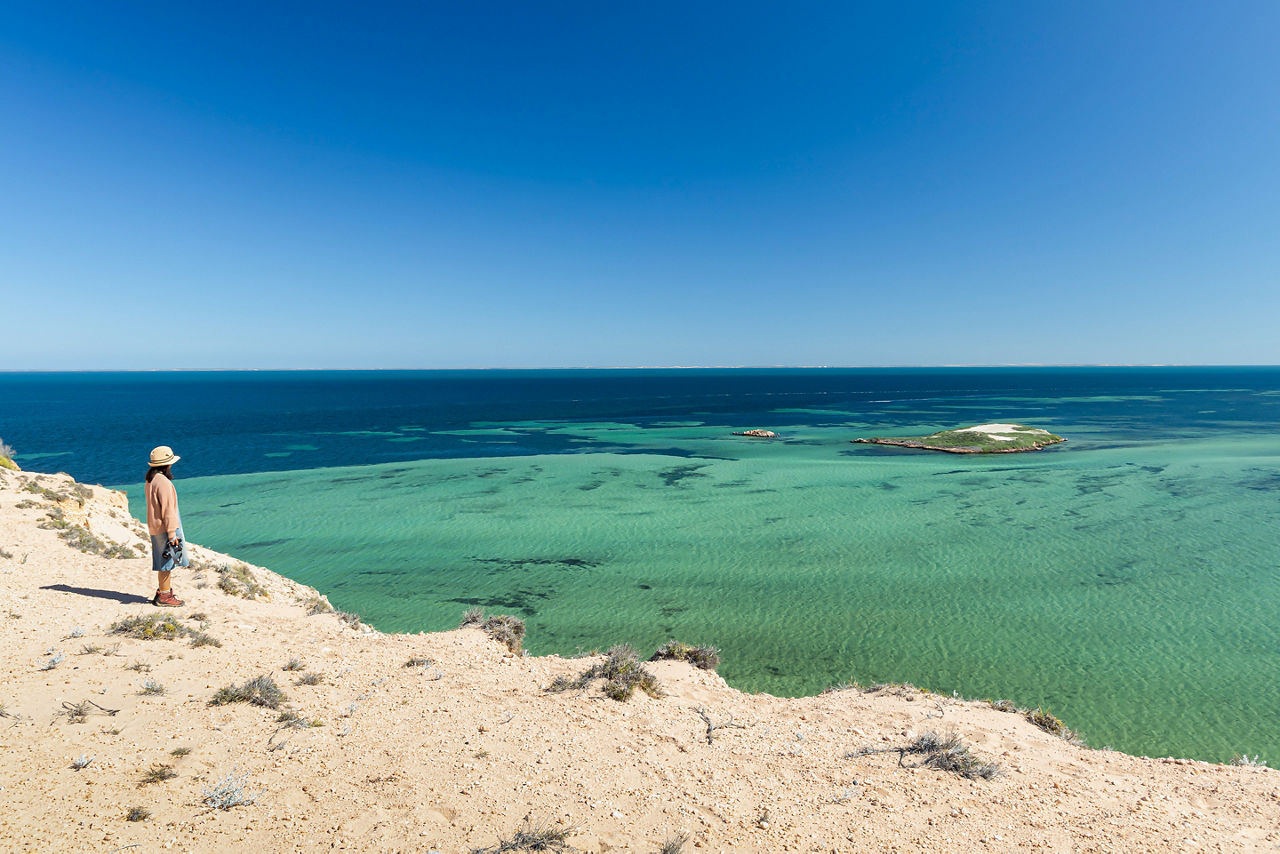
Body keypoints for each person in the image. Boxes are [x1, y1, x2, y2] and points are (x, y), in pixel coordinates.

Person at [145, 445, 189, 606]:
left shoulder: (151, 480)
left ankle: (163, 592)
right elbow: (168, 510)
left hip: (155, 526)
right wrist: (172, 533)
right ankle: (164, 596)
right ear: (167, 464)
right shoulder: (163, 482)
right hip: (165, 527)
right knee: (167, 562)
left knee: (162, 561)